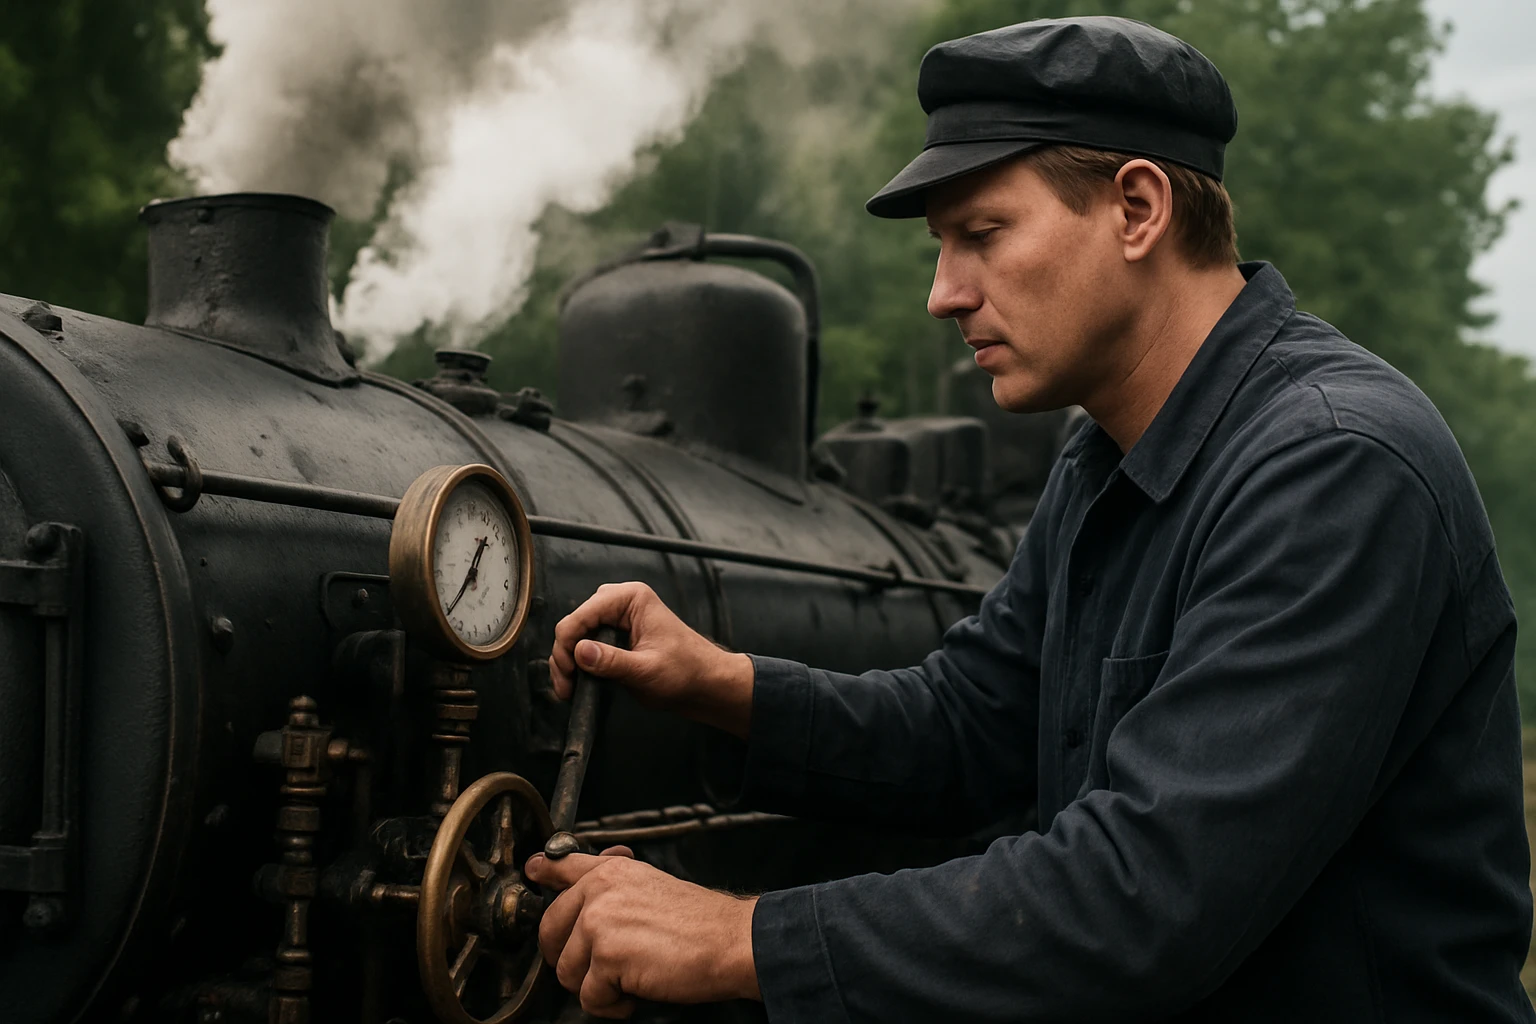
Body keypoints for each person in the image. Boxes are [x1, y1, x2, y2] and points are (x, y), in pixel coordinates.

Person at [523, 15, 1535, 1022]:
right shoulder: (1104, 457)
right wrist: (724, 686)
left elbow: (1145, 899)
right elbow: (969, 727)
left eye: (982, 235)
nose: (943, 294)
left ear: (1137, 209)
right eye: (941, 247)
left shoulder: (1334, 465)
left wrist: (733, 938)